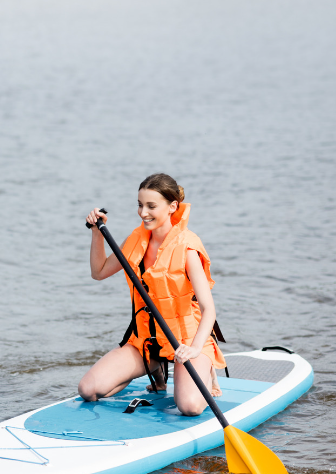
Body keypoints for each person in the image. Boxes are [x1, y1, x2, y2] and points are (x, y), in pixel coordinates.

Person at [80, 173, 226, 416]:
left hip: (186, 341)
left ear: (172, 207)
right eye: (139, 205)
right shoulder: (135, 240)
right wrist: (96, 232)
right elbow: (99, 272)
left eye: (151, 206)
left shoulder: (187, 247)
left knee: (189, 407)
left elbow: (208, 309)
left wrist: (195, 349)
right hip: (147, 342)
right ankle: (156, 367)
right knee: (88, 389)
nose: (143, 213)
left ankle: (204, 373)